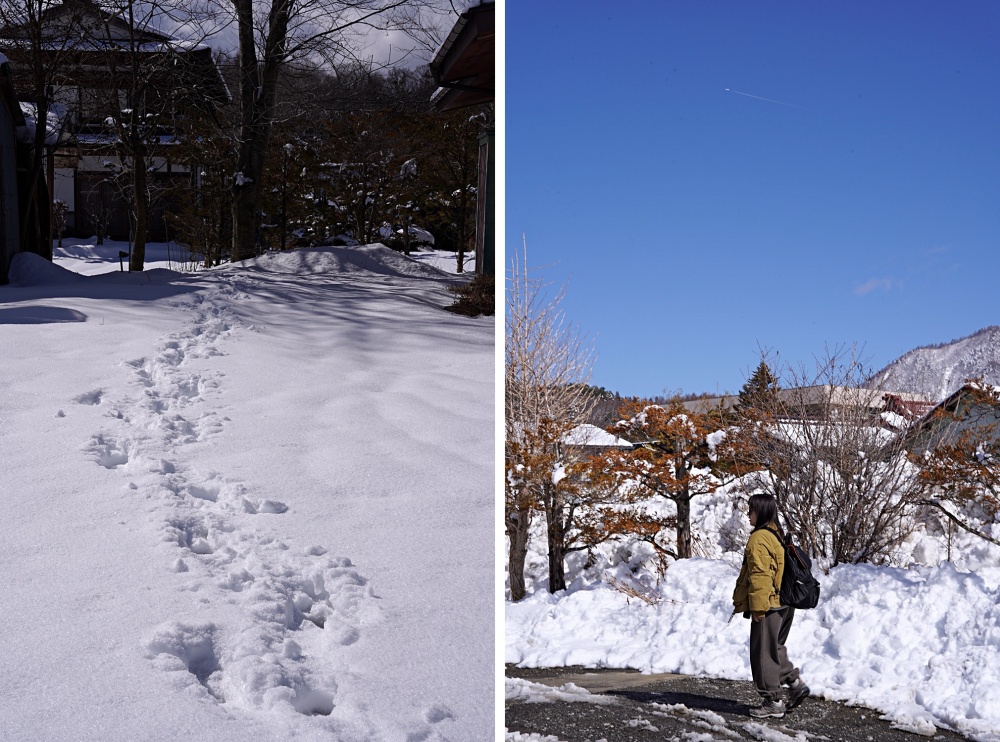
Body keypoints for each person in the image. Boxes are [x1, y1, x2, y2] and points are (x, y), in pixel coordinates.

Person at [732, 493, 810, 719]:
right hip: (785, 603)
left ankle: (773, 701)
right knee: (774, 646)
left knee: (762, 652)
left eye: (751, 511)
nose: (748, 515)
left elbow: (761, 575)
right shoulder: (776, 532)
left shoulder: (759, 538)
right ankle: (795, 684)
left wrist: (758, 608)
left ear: (761, 512)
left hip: (769, 604)